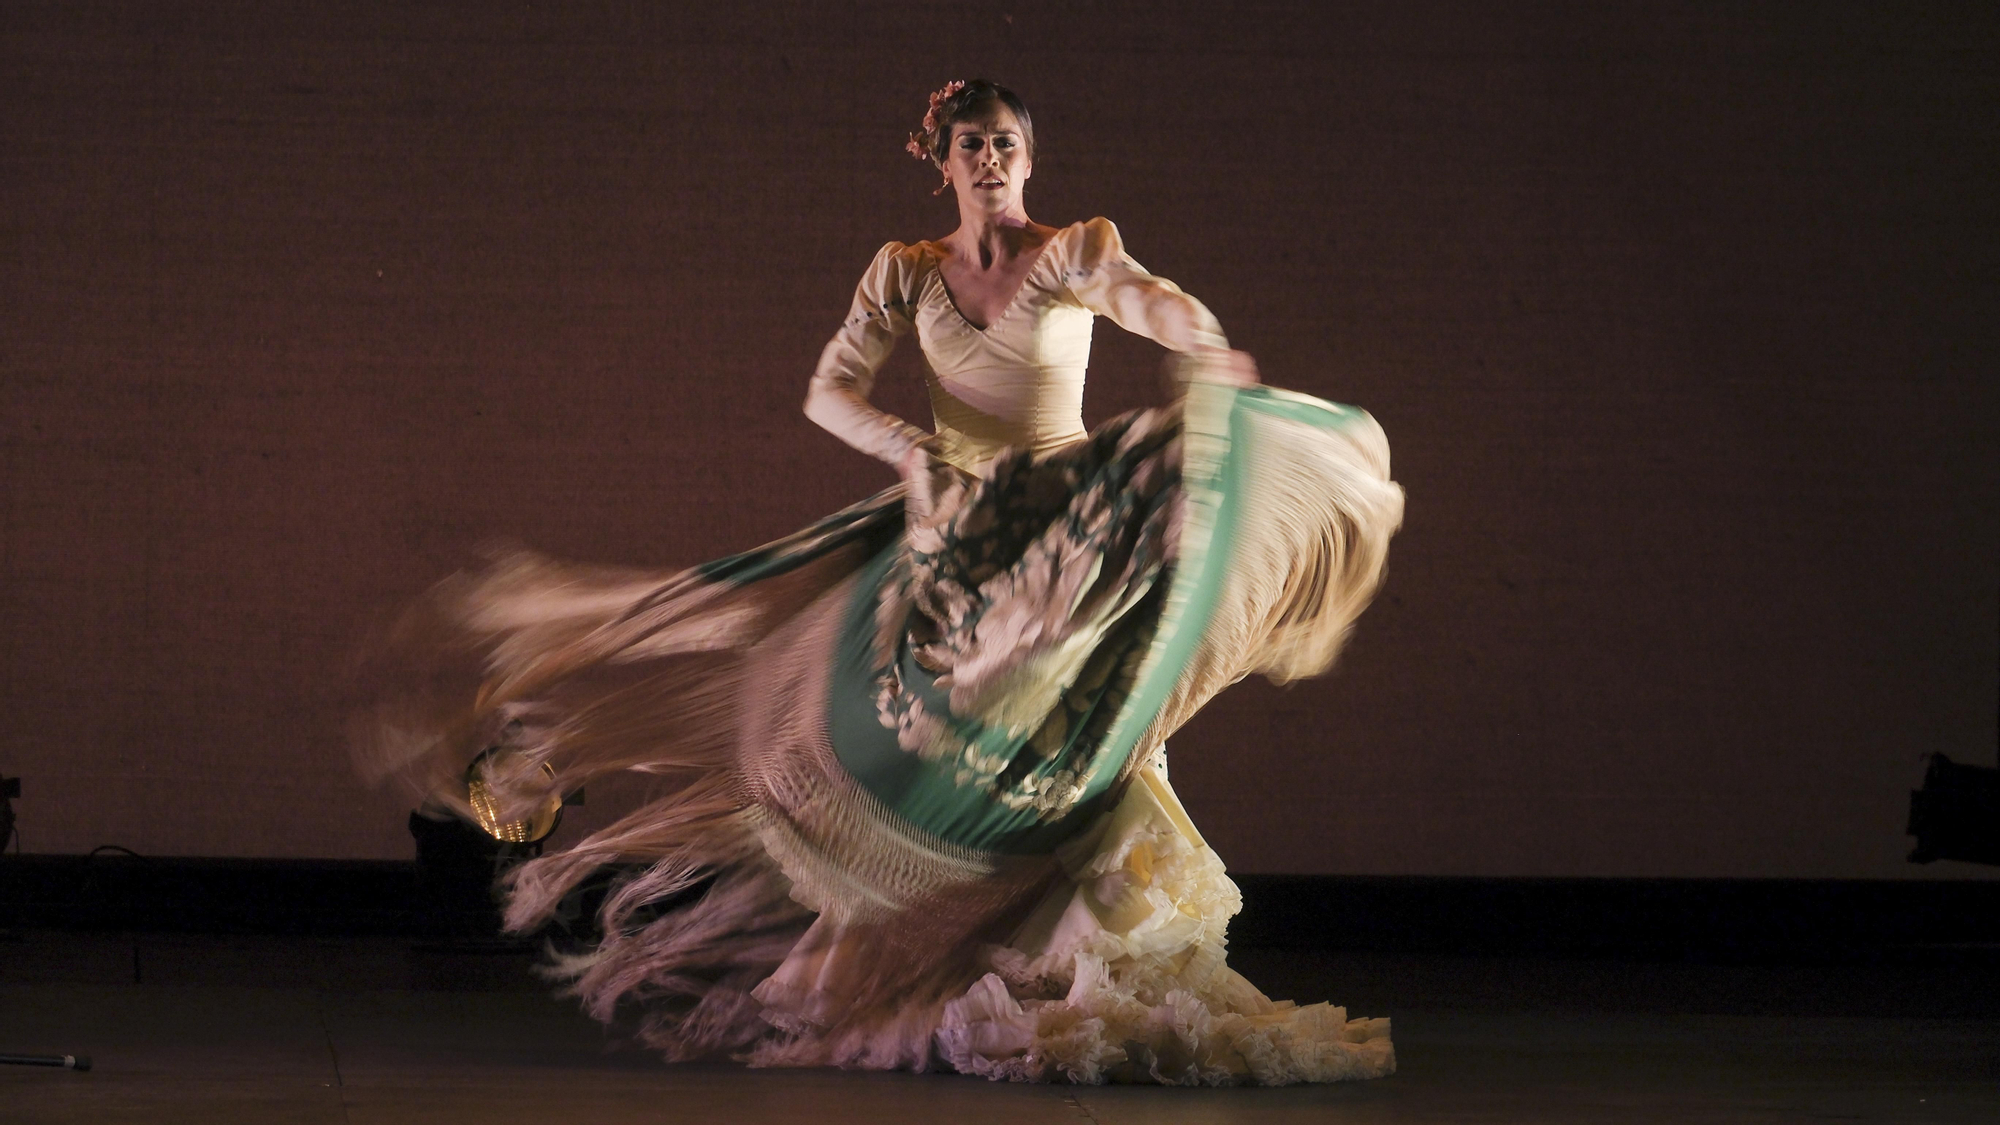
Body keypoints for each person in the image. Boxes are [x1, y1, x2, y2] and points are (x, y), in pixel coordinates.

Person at [362, 79, 1404, 1085]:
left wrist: (1204, 346)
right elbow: (828, 392)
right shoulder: (908, 271)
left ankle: (1077, 949)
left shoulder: (1074, 249)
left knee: (1070, 706)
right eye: (971, 144)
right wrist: (912, 453)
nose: (988, 159)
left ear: (1028, 159)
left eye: (1004, 143)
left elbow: (1155, 305)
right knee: (790, 661)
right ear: (943, 163)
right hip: (950, 527)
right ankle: (555, 746)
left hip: (1059, 526)